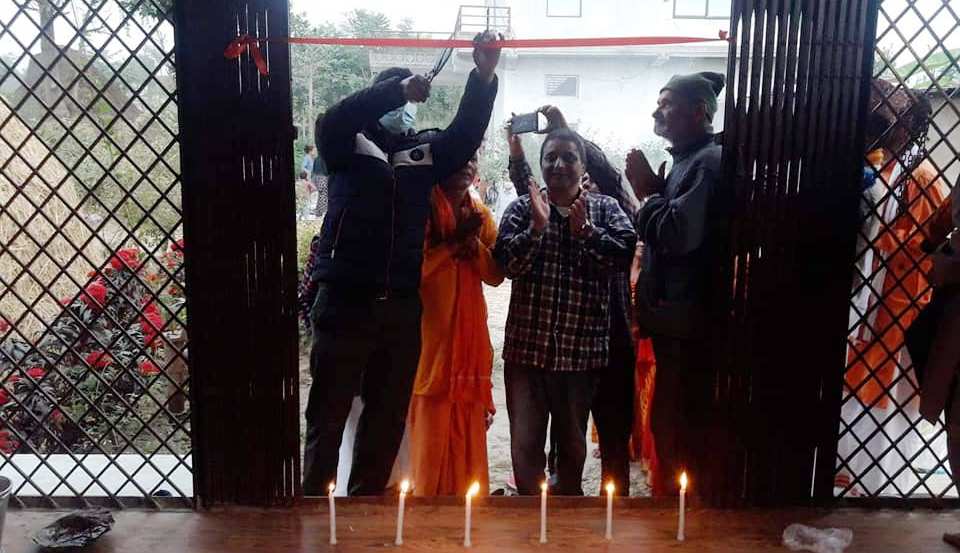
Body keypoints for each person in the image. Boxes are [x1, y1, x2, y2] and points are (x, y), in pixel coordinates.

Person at [300, 32, 501, 496]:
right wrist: (395, 90)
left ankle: (366, 512)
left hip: (401, 308)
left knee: (386, 420)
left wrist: (483, 75)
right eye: (398, 98)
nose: (404, 108)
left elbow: (464, 135)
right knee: (327, 417)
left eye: (408, 99)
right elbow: (335, 117)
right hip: (344, 301)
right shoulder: (344, 144)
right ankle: (314, 515)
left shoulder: (422, 152)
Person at [495, 127, 637, 496]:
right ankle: (531, 514)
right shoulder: (522, 209)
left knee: (572, 448)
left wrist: (587, 232)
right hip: (527, 354)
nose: (558, 164)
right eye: (550, 157)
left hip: (580, 356)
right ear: (540, 164)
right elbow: (506, 265)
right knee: (525, 446)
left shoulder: (605, 209)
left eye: (569, 157)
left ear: (583, 167)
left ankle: (565, 517)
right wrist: (536, 230)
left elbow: (623, 257)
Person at [839, 80, 947, 495]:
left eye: (886, 122)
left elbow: (925, 248)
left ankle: (877, 485)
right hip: (866, 304)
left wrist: (876, 237)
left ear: (906, 128)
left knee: (885, 405)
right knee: (853, 393)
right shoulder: (876, 170)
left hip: (897, 310)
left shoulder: (920, 177)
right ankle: (847, 477)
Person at [624, 71, 730, 496]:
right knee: (669, 423)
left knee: (679, 428)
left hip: (691, 328)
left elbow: (678, 233)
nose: (657, 112)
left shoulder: (707, 163)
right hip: (676, 323)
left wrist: (648, 195)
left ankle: (682, 516)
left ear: (699, 111)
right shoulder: (691, 160)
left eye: (666, 103)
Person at [406, 153, 504, 496]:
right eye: (461, 156)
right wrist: (450, 247)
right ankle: (427, 509)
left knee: (467, 433)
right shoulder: (421, 210)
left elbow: (495, 275)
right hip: (432, 340)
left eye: (473, 158)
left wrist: (472, 245)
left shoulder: (480, 214)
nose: (468, 164)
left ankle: (467, 508)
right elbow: (413, 273)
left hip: (469, 347)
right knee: (431, 439)